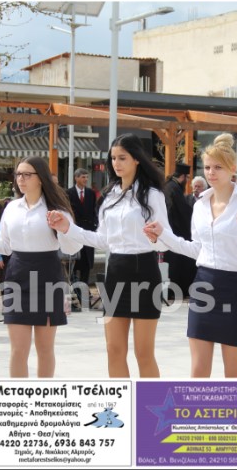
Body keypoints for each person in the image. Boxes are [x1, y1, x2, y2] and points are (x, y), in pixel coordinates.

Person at [48, 133, 171, 378]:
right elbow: (102, 240)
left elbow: (165, 241)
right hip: (116, 271)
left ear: (137, 159)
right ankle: (122, 400)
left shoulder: (152, 195)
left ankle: (151, 403)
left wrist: (156, 236)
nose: (116, 163)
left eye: (122, 158)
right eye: (113, 158)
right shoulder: (109, 196)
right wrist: (68, 228)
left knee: (144, 353)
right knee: (114, 350)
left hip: (144, 271)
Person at [144, 134, 237, 378]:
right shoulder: (199, 205)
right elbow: (197, 249)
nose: (211, 173)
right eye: (207, 167)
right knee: (198, 370)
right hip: (203, 285)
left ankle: (235, 406)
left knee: (233, 372)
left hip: (235, 287)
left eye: (218, 167)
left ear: (232, 169)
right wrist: (163, 234)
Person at [0, 157, 81, 378]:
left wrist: (63, 229)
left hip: (48, 276)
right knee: (18, 350)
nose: (20, 179)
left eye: (27, 174)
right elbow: (5, 246)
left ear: (40, 178)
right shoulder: (12, 208)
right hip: (17, 275)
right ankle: (19, 395)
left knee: (45, 349)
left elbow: (72, 248)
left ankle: (44, 395)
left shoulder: (58, 210)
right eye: (18, 174)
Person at [163, 163, 197, 299]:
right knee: (180, 263)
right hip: (176, 232)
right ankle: (178, 291)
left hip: (169, 232)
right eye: (187, 178)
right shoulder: (174, 189)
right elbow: (183, 212)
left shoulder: (168, 186)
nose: (187, 181)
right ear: (183, 177)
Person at [66, 168, 98, 289]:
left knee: (86, 264)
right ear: (76, 178)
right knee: (74, 263)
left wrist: (95, 225)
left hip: (88, 231)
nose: (86, 179)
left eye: (87, 177)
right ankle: (75, 291)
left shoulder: (91, 193)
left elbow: (94, 211)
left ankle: (84, 291)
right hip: (75, 231)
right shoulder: (68, 193)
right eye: (83, 177)